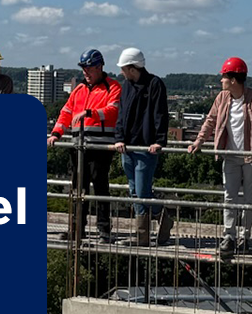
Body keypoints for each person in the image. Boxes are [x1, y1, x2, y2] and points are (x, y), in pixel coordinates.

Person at [188, 57, 252, 255]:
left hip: (251, 156)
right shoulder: (222, 98)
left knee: (249, 200)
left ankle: (245, 237)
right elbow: (210, 121)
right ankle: (229, 236)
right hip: (229, 156)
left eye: (224, 77)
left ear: (234, 80)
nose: (221, 81)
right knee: (229, 197)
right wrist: (198, 142)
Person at [47, 49, 122, 243]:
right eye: (83, 69)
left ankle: (104, 230)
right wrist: (56, 133)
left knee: (100, 187)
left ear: (99, 67)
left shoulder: (112, 87)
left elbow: (113, 110)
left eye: (88, 68)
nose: (85, 72)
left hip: (100, 147)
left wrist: (90, 113)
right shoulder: (79, 89)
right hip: (79, 146)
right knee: (78, 190)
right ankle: (76, 230)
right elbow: (66, 112)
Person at [109, 48, 173, 247]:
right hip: (127, 146)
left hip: (145, 147)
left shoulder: (154, 84)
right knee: (134, 190)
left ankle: (143, 235)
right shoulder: (126, 86)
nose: (121, 73)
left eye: (123, 69)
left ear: (132, 68)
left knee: (142, 191)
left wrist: (159, 141)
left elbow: (160, 114)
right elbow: (121, 114)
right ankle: (162, 217)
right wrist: (119, 138)